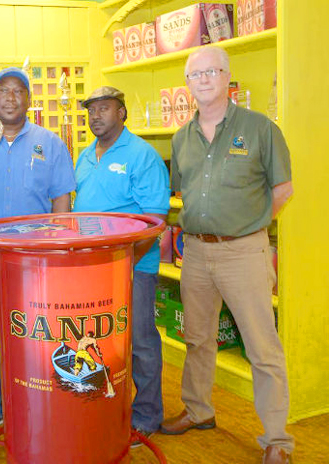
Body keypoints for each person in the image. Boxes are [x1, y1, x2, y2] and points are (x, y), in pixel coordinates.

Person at [162, 46, 294, 464]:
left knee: (262, 346)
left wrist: (247, 227)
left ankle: (277, 438)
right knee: (198, 338)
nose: (203, 79)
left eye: (211, 71)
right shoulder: (182, 137)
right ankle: (199, 411)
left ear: (226, 77)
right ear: (187, 85)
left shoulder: (260, 129)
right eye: (194, 74)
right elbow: (181, 190)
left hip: (244, 253)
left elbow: (282, 190)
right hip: (196, 253)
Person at [0, 67, 76, 438]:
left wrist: (59, 247)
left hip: (35, 261)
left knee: (37, 335)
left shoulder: (50, 143)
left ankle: (38, 400)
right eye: (3, 91)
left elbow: (62, 198)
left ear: (29, 100)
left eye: (18, 91)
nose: (10, 97)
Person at [72, 86, 170, 446]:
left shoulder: (142, 156)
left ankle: (146, 415)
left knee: (140, 340)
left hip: (134, 266)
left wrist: (126, 262)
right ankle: (108, 405)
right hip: (91, 270)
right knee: (100, 342)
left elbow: (155, 220)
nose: (96, 115)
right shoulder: (84, 156)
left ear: (122, 112)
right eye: (91, 110)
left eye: (105, 108)